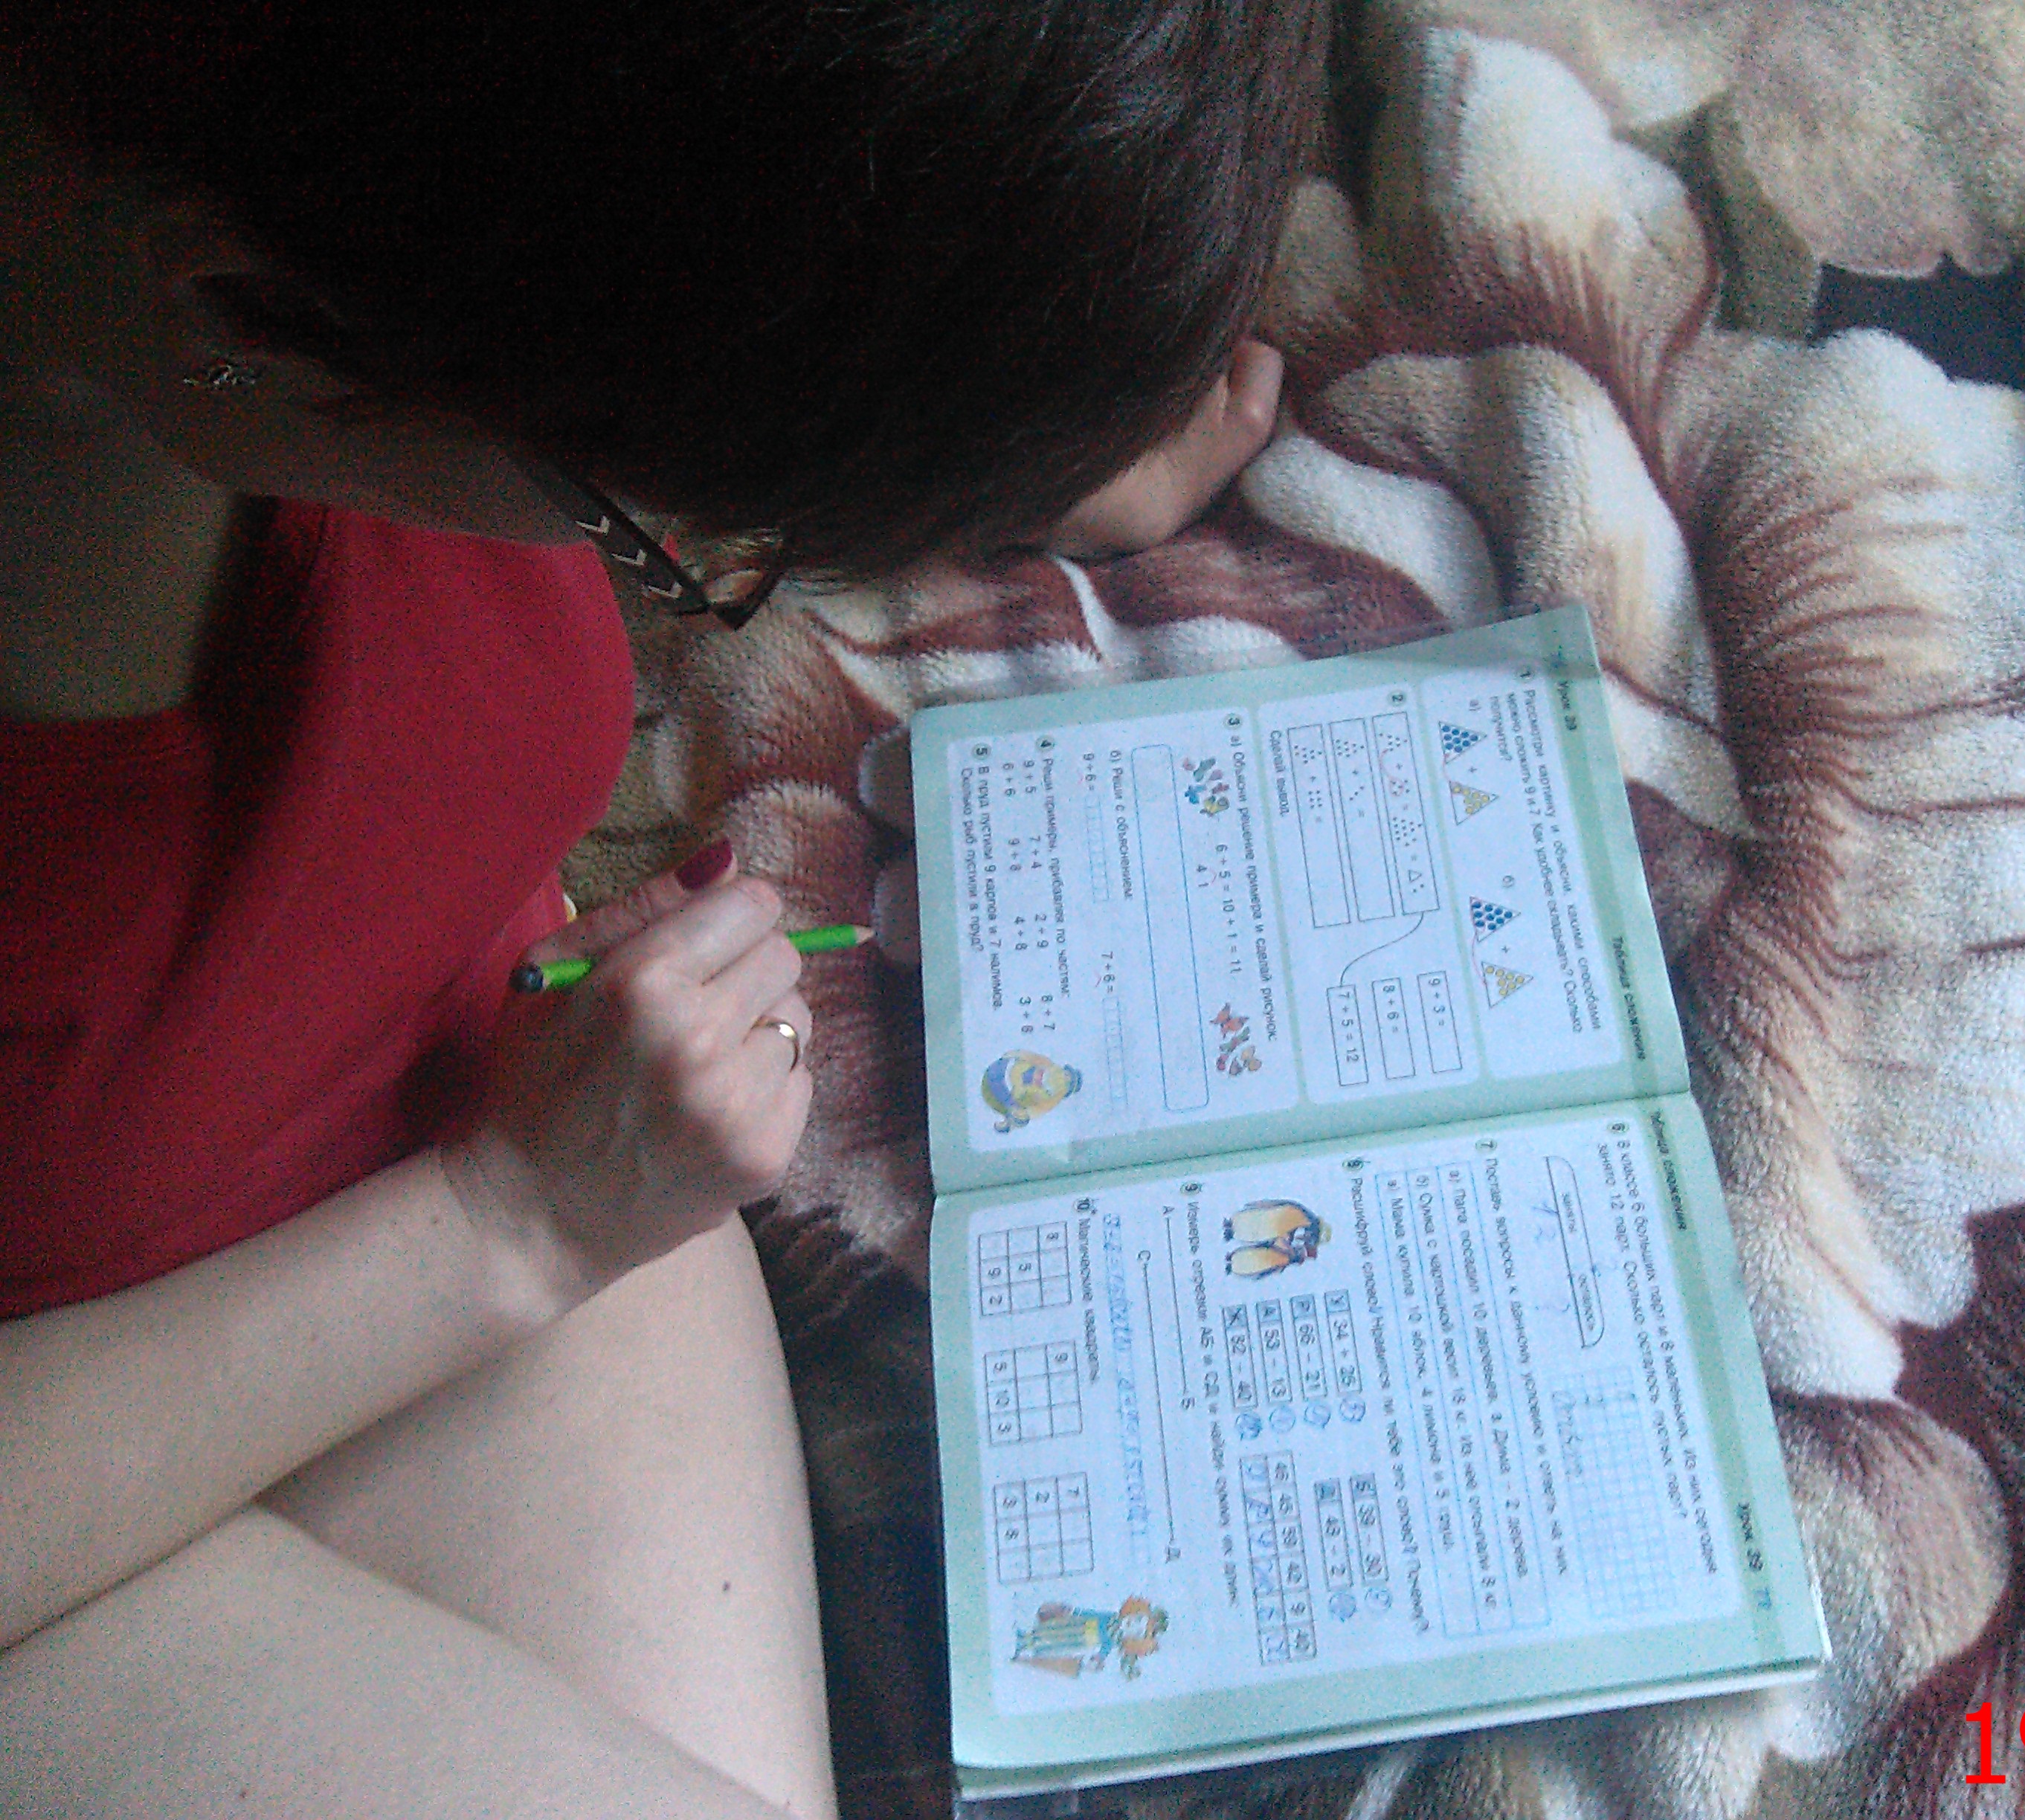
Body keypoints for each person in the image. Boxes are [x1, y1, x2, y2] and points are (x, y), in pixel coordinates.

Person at [0, 3, 1329, 1813]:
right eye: (682, 540)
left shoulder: (347, 248)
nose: (692, 570)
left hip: (463, 1114)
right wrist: (508, 1226)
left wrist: (988, 424)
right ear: (249, 316)